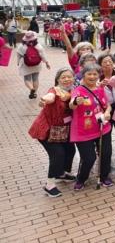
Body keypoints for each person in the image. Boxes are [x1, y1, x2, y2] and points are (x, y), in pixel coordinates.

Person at [28, 68, 77, 197]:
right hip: (47, 129)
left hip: (63, 130)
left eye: (69, 77)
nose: (67, 79)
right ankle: (49, 185)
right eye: (63, 77)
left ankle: (63, 173)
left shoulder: (73, 91)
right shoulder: (54, 90)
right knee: (58, 154)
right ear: (58, 80)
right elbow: (49, 97)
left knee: (70, 150)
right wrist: (44, 99)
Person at [70, 64, 113, 190]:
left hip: (102, 127)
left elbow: (107, 105)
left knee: (106, 154)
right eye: (89, 74)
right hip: (83, 131)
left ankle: (105, 177)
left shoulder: (100, 89)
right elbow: (72, 105)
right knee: (89, 158)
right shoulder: (78, 90)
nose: (92, 76)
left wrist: (107, 112)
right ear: (83, 75)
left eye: (95, 74)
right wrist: (75, 102)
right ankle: (81, 178)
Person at [17, 31, 50, 98]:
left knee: (27, 79)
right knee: (35, 79)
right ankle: (34, 93)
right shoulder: (38, 46)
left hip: (26, 64)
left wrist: (18, 62)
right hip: (37, 64)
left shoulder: (22, 46)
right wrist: (46, 63)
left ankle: (31, 88)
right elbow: (43, 55)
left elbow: (18, 54)